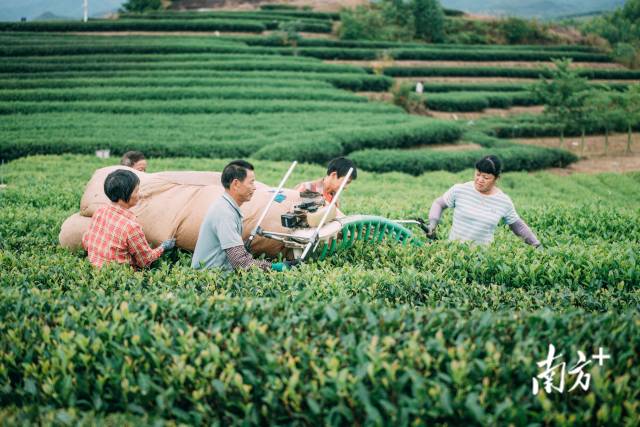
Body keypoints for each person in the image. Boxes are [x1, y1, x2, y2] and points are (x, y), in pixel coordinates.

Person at [191, 160, 300, 272]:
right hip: (210, 277)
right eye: (251, 182)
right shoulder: (225, 213)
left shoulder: (227, 207)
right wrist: (277, 267)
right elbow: (240, 262)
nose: (254, 187)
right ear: (236, 184)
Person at [427, 155, 541, 248]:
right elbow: (439, 204)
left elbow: (518, 226)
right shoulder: (460, 190)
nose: (480, 180)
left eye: (486, 177)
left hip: (482, 259)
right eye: (478, 174)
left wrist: (536, 244)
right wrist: (432, 224)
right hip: (454, 252)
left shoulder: (503, 201)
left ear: (497, 178)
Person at [82, 169, 175, 268]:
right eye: (136, 191)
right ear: (125, 194)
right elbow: (145, 261)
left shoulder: (100, 212)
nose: (139, 194)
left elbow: (86, 241)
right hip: (119, 274)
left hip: (96, 270)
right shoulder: (131, 227)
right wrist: (163, 247)